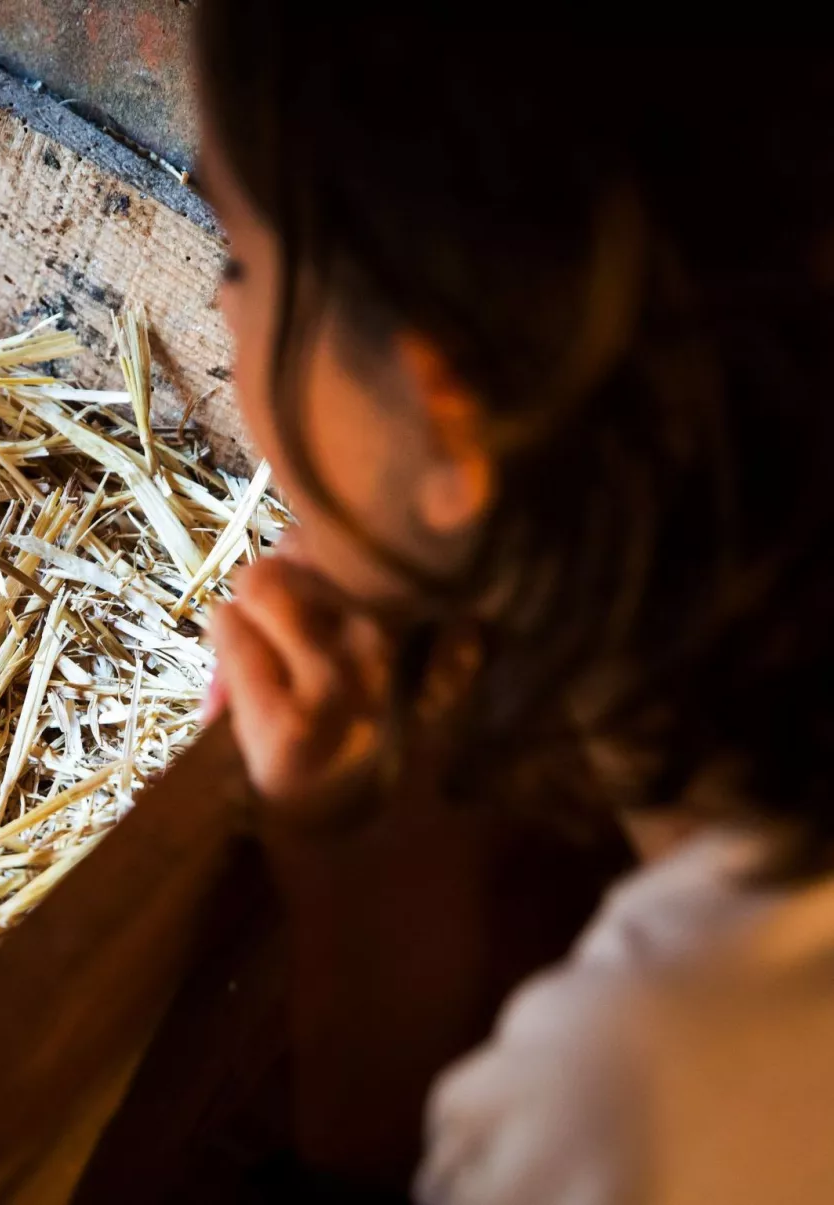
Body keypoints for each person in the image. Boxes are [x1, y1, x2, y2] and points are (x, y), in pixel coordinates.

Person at [193, 11, 834, 1205]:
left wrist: (369, 921)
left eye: (237, 258)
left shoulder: (647, 1095)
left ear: (449, 414)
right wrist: (373, 887)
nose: (224, 316)